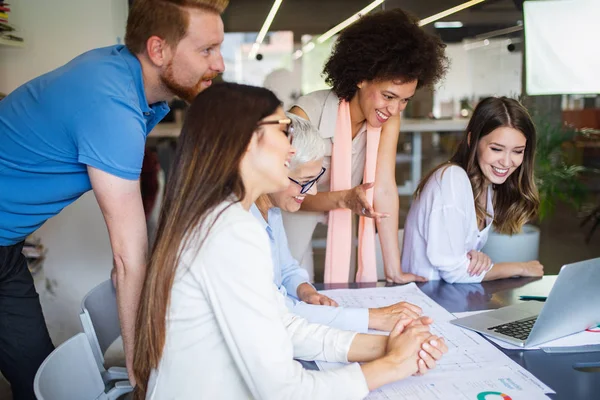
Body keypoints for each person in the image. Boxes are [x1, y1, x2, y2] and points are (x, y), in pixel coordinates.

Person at [133, 83, 448, 399]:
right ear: (245, 143)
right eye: (283, 130)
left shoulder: (228, 217)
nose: (292, 148)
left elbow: (282, 325)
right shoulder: (229, 232)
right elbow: (285, 391)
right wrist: (392, 364)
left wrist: (386, 345)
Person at [0, 0, 227, 395]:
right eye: (207, 50)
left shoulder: (129, 80)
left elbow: (128, 262)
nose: (220, 64)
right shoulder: (112, 104)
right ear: (158, 50)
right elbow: (127, 259)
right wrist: (143, 376)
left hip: (5, 246)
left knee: (38, 379)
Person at [285, 8, 448, 284]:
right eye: (388, 96)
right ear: (361, 77)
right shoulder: (306, 115)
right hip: (293, 211)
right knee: (292, 280)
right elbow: (284, 195)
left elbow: (383, 189)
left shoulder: (389, 118)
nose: (394, 109)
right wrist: (343, 199)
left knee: (344, 287)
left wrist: (393, 269)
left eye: (404, 100)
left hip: (343, 210)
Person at [252, 113, 422, 332]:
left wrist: (306, 290)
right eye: (304, 182)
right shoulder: (242, 225)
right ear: (272, 169)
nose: (312, 192)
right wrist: (372, 318)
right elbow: (276, 311)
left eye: (315, 180)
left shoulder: (271, 211)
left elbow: (286, 269)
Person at [401, 97, 544, 283]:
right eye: (497, 149)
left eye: (517, 151)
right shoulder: (452, 179)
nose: (507, 162)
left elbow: (458, 257)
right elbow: (454, 271)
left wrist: (473, 256)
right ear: (472, 140)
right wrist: (521, 267)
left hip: (450, 298)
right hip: (427, 301)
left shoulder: (487, 187)